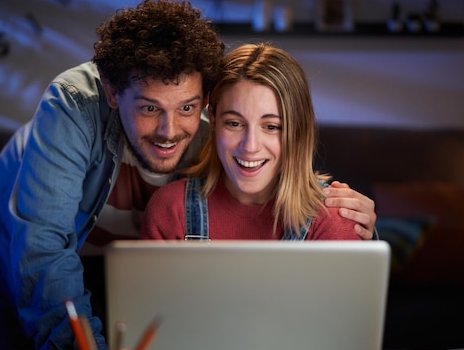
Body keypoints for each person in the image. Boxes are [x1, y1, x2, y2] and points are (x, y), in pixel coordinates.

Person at [0, 0, 376, 350]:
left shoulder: (218, 123)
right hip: (33, 252)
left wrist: (359, 229)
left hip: (131, 264)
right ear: (114, 92)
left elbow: (272, 154)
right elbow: (42, 253)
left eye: (187, 108)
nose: (170, 130)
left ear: (206, 104)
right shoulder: (74, 106)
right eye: (149, 109)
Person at [140, 43, 360, 241]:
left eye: (272, 127)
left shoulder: (333, 219)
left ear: (298, 130)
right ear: (213, 119)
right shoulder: (170, 209)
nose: (250, 146)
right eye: (235, 124)